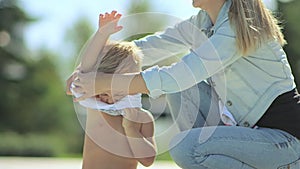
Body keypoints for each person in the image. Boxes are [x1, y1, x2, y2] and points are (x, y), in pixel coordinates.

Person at [67, 0, 300, 168]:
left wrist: (107, 82)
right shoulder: (203, 23)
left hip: (284, 140)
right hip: (250, 133)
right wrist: (88, 73)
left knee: (187, 148)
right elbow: (145, 50)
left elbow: (179, 75)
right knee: (182, 87)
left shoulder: (236, 28)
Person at [70, 11, 156, 169]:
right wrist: (101, 35)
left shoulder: (141, 117)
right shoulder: (95, 106)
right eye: (103, 87)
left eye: (119, 87)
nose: (106, 96)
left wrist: (131, 129)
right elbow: (85, 68)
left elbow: (148, 160)